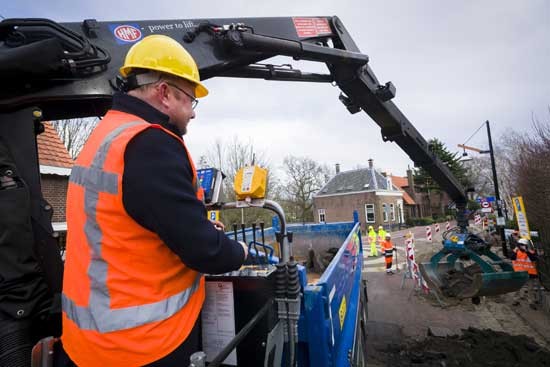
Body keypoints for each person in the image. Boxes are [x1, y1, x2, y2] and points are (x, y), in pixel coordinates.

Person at [61, 35, 248, 367]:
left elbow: (125, 225)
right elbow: (205, 251)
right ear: (163, 93)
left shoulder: (106, 134)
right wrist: (240, 251)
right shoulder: (152, 143)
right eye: (190, 100)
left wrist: (193, 225)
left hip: (86, 344)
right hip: (143, 346)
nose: (192, 113)